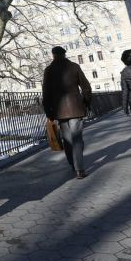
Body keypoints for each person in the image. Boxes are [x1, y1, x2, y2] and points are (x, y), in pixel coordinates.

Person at [42, 46, 93, 179]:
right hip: (76, 108)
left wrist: (49, 112)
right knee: (77, 139)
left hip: (59, 110)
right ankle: (79, 169)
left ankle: (72, 164)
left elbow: (46, 94)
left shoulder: (49, 70)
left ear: (53, 55)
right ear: (65, 54)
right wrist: (86, 102)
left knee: (67, 139)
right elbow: (86, 87)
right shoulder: (74, 67)